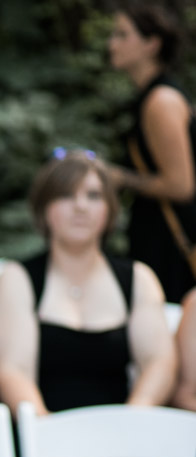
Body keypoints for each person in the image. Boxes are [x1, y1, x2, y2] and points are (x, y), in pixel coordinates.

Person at [0, 149, 177, 457]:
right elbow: (11, 370)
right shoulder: (18, 279)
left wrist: (134, 418)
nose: (80, 206)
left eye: (93, 195)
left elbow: (159, 362)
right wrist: (46, 430)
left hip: (123, 428)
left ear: (109, 210)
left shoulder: (137, 279)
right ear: (43, 209)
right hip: (45, 428)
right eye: (66, 195)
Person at [105, 3, 196, 304]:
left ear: (151, 44)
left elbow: (181, 186)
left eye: (122, 35)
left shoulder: (161, 101)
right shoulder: (149, 97)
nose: (111, 43)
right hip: (160, 237)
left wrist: (120, 178)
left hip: (173, 245)